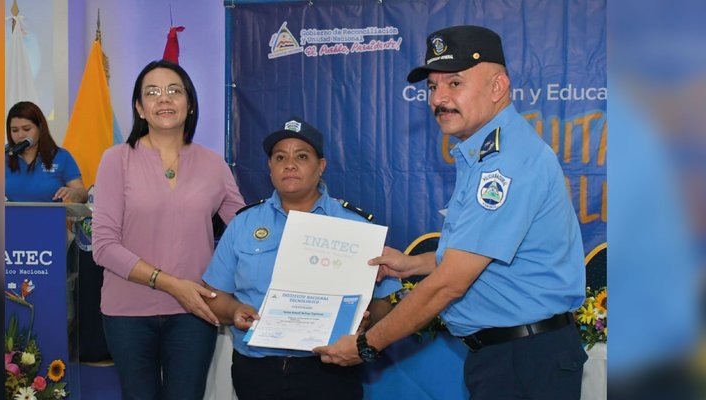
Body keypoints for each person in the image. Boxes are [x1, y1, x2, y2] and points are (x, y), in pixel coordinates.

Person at [314, 25, 588, 400]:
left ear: (497, 87)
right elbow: (482, 252)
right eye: (432, 87)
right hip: (511, 356)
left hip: (524, 361)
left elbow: (450, 283)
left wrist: (366, 345)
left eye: (454, 84)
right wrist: (411, 264)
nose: (438, 99)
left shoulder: (505, 163)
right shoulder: (484, 153)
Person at [202, 117, 401, 400]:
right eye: (280, 157)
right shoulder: (243, 224)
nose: (290, 164)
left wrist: (366, 329)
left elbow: (384, 301)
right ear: (270, 167)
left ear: (321, 166)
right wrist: (234, 311)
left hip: (330, 368)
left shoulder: (356, 227)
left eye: (302, 156)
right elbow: (215, 295)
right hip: (257, 368)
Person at [92, 59, 245, 400]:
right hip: (127, 312)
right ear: (139, 108)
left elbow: (245, 231)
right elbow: (103, 246)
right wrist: (174, 285)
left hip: (194, 312)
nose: (164, 99)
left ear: (189, 104)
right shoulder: (116, 159)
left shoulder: (213, 163)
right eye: (153, 92)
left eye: (174, 91)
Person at [5, 101, 87, 203]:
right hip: (11, 218)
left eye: (27, 129)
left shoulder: (61, 156)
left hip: (51, 218)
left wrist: (73, 193)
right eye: (14, 130)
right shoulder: (4, 155)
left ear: (40, 128)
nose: (20, 135)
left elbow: (82, 194)